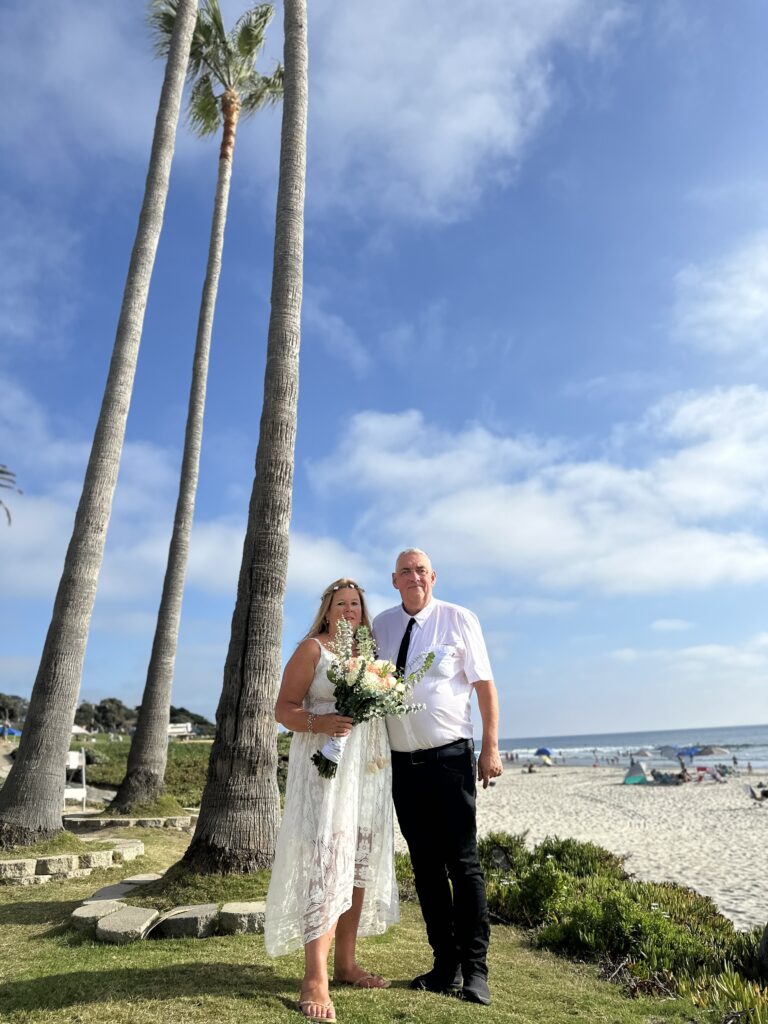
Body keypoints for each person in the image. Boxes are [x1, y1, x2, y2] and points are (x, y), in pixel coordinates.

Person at [372, 548, 503, 1006]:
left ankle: (476, 971)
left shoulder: (459, 619)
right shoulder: (382, 625)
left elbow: (485, 687)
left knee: (463, 865)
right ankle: (445, 965)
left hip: (451, 760)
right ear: (394, 580)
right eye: (406, 571)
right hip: (402, 766)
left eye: (421, 571)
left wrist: (491, 748)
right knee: (426, 869)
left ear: (433, 577)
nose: (414, 577)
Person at [265, 579, 398, 1022]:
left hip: (366, 770)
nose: (348, 610)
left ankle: (346, 964)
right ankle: (315, 977)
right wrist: (319, 722)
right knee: (326, 862)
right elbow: (283, 709)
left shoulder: (370, 657)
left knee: (358, 860)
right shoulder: (313, 650)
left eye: (355, 604)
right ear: (326, 610)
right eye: (340, 603)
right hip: (325, 767)